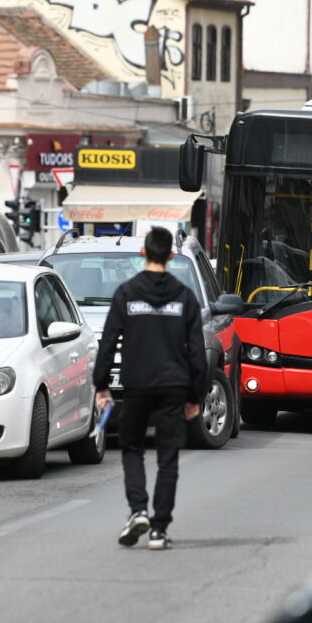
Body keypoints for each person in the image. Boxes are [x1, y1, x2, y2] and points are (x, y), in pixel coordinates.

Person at [93, 227, 207, 551]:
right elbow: (197, 352)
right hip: (174, 387)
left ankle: (138, 510)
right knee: (168, 457)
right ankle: (159, 529)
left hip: (137, 385)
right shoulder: (185, 297)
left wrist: (102, 385)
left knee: (132, 449)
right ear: (171, 255)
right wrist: (195, 396)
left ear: (143, 253)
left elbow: (108, 341)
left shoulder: (127, 293)